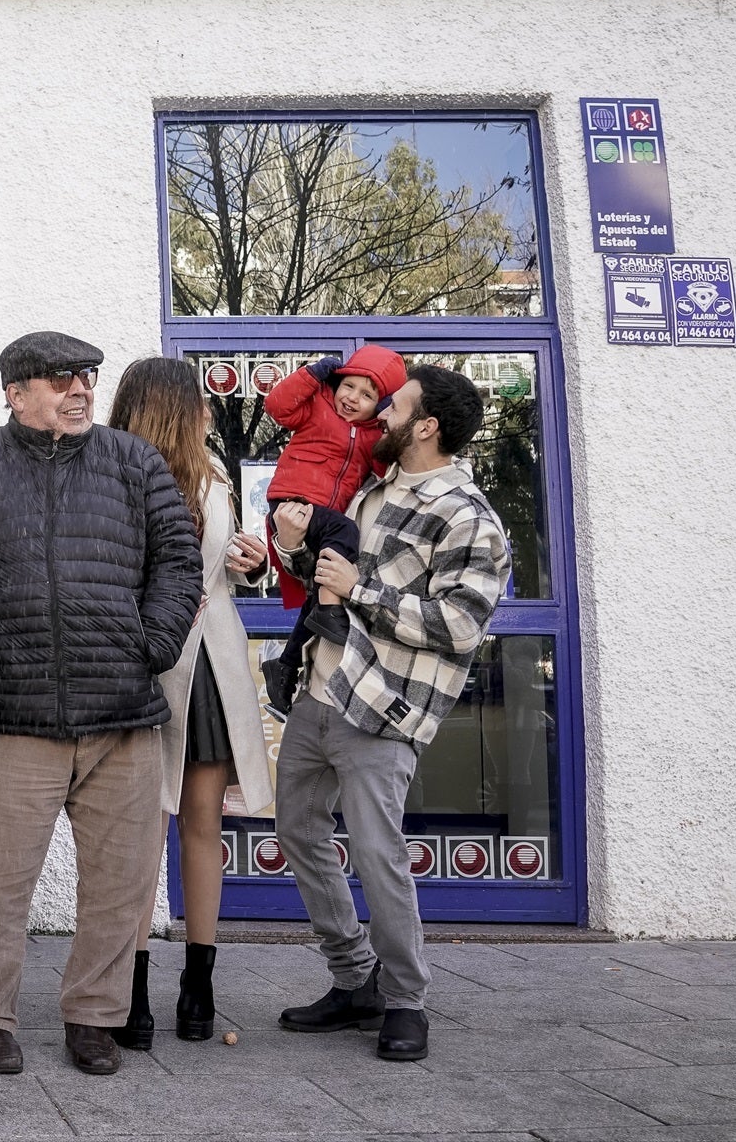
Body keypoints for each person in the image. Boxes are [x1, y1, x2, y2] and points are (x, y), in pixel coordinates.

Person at [0, 332, 203, 1078]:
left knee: (121, 885)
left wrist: (151, 643)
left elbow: (178, 560)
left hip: (122, 714)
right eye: (59, 380)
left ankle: (95, 1016)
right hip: (14, 712)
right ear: (15, 392)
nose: (81, 389)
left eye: (86, 377)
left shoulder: (133, 461)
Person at [271, 366, 508, 1063]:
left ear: (426, 426)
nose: (379, 417)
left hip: (382, 710)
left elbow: (463, 623)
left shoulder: (466, 513)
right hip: (319, 693)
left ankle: (406, 1001)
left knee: (378, 855)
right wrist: (291, 548)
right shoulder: (374, 490)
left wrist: (362, 589)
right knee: (298, 832)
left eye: (395, 406)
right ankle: (354, 980)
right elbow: (325, 572)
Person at [105, 357, 274, 1047]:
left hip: (178, 663)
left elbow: (225, 565)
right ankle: (190, 996)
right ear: (177, 409)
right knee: (193, 829)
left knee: (152, 832)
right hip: (184, 663)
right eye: (198, 402)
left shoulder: (123, 474)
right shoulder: (192, 476)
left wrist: (252, 562)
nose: (208, 409)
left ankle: (141, 998)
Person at [259, 346, 408, 714]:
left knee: (319, 589)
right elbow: (277, 406)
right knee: (344, 539)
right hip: (294, 502)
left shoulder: (372, 434)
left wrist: (392, 423)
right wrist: (311, 375)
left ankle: (286, 665)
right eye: (349, 386)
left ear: (381, 403)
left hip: (321, 519)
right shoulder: (318, 405)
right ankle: (330, 611)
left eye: (368, 395)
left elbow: (384, 467)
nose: (353, 398)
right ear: (336, 382)